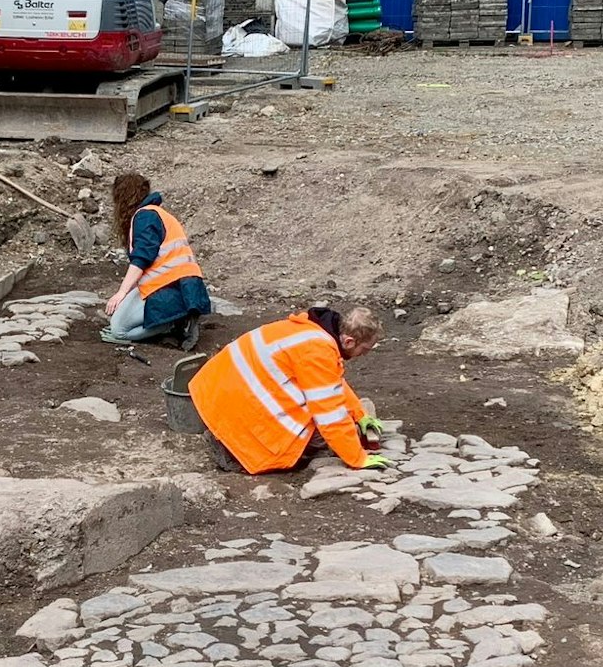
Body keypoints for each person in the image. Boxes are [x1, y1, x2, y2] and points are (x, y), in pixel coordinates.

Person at [188, 305, 392, 475]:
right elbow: (330, 416)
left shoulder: (312, 331)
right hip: (238, 407)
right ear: (349, 341)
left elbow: (332, 382)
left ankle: (226, 438)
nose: (363, 355)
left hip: (216, 393)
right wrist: (358, 458)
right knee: (319, 438)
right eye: (364, 349)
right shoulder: (318, 351)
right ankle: (233, 451)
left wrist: (358, 413)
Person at [101, 173, 213, 349]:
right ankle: (174, 319)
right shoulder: (158, 214)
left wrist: (121, 293)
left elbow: (142, 258)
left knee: (118, 330)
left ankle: (170, 323)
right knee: (120, 318)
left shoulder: (145, 216)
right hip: (181, 286)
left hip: (168, 287)